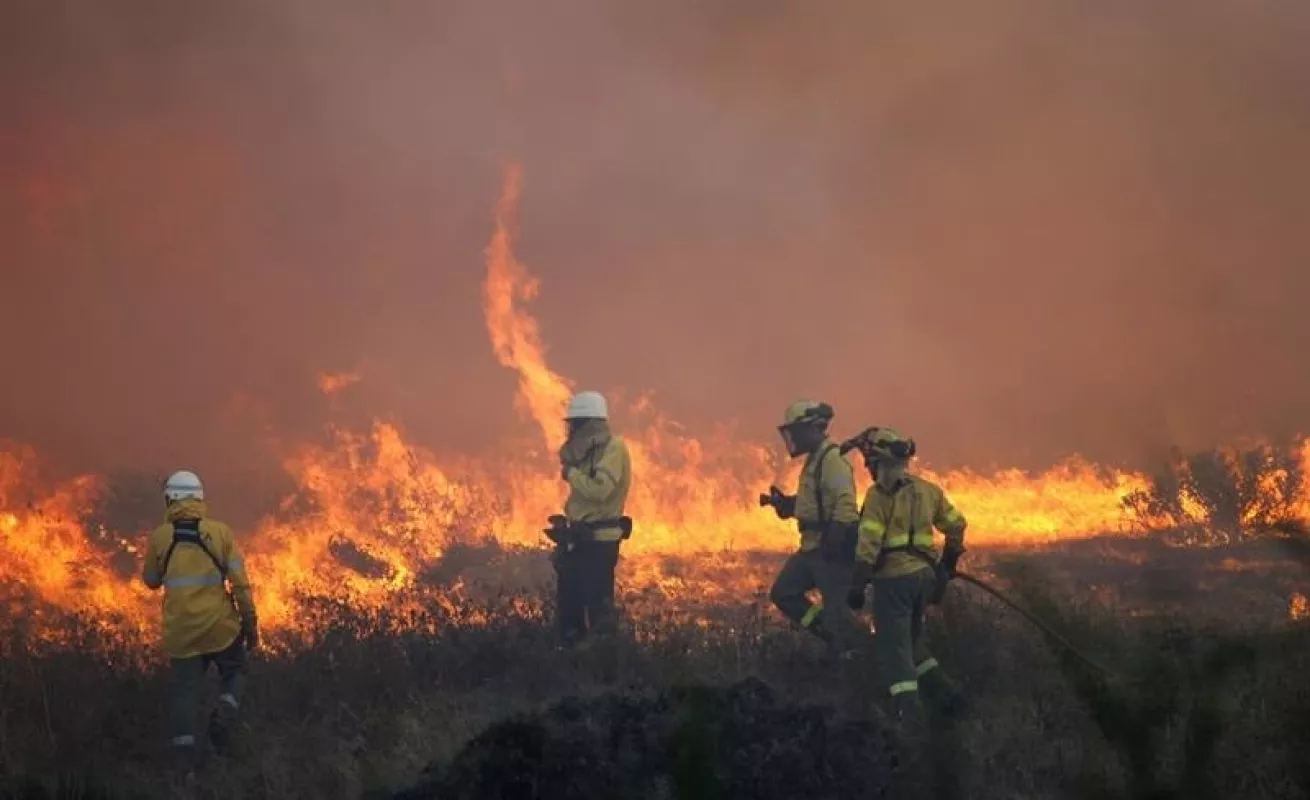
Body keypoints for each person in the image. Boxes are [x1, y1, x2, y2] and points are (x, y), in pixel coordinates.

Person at [844, 427, 968, 730]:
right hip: (925, 579)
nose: (869, 469)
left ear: (879, 463)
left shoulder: (877, 497)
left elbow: (869, 545)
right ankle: (949, 696)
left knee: (894, 650)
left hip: (894, 582)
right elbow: (957, 525)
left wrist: (857, 586)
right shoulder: (928, 490)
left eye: (870, 462)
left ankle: (909, 716)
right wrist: (948, 563)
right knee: (912, 642)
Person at [142, 470, 258, 765]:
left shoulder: (159, 537)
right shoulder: (220, 533)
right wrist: (249, 622)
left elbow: (151, 580)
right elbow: (240, 583)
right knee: (237, 670)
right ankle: (224, 712)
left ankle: (184, 766)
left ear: (171, 499)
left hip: (182, 632)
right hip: (220, 627)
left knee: (185, 694)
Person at [761, 400, 861, 659]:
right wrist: (786, 505)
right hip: (812, 549)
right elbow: (814, 503)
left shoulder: (832, 460)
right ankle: (828, 632)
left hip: (831, 552)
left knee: (838, 614)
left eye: (797, 431)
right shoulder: (815, 461)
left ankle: (854, 658)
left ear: (814, 428)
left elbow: (845, 505)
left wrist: (833, 543)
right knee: (784, 592)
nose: (793, 437)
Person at [549, 390, 633, 649]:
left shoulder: (614, 449)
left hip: (599, 544)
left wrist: (572, 474)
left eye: (575, 423)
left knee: (599, 610)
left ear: (590, 423)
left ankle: (602, 666)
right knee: (569, 610)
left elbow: (599, 491)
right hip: (577, 541)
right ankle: (570, 663)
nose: (571, 430)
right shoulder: (586, 453)